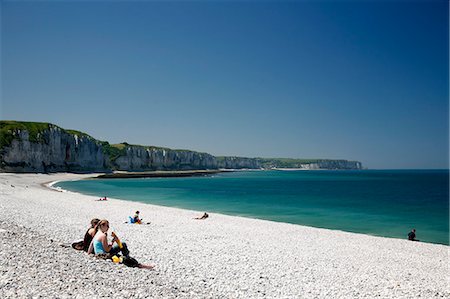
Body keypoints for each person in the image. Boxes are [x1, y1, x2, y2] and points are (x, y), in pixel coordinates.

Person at [87, 219, 153, 269]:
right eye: (107, 226)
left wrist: (89, 254)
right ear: (102, 226)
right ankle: (140, 265)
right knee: (125, 259)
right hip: (103, 255)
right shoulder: (103, 236)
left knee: (122, 245)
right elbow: (107, 250)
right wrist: (113, 242)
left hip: (98, 254)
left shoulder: (97, 234)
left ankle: (128, 257)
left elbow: (91, 245)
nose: (108, 227)